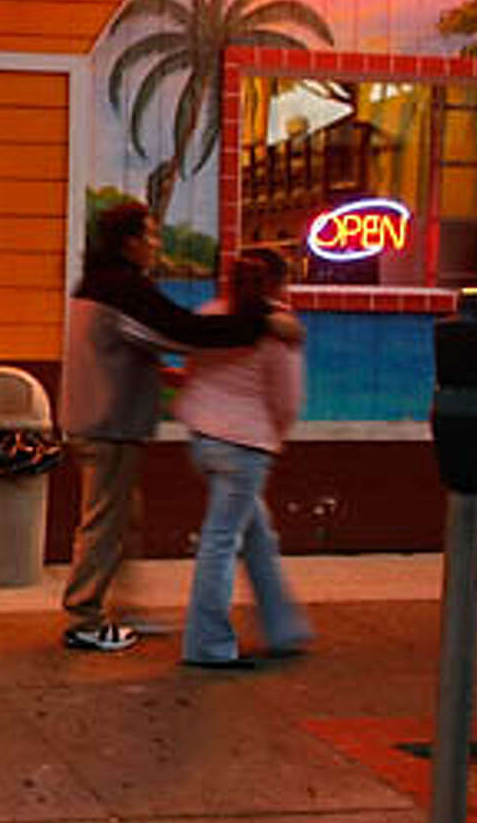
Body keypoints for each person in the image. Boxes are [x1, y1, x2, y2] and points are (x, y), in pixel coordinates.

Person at [57, 199, 302, 652]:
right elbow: (181, 332)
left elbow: (148, 343)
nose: (156, 244)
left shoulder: (98, 284)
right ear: (129, 242)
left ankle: (120, 608)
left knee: (122, 520)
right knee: (106, 524)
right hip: (109, 426)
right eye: (150, 235)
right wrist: (261, 322)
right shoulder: (121, 288)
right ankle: (85, 618)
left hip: (97, 420)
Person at [174, 247, 312, 668]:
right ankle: (208, 646)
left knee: (256, 535)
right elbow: (287, 399)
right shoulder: (279, 331)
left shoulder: (210, 314)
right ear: (278, 284)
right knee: (221, 542)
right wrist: (274, 435)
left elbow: (192, 372)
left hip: (203, 440)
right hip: (246, 446)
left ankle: (283, 628)